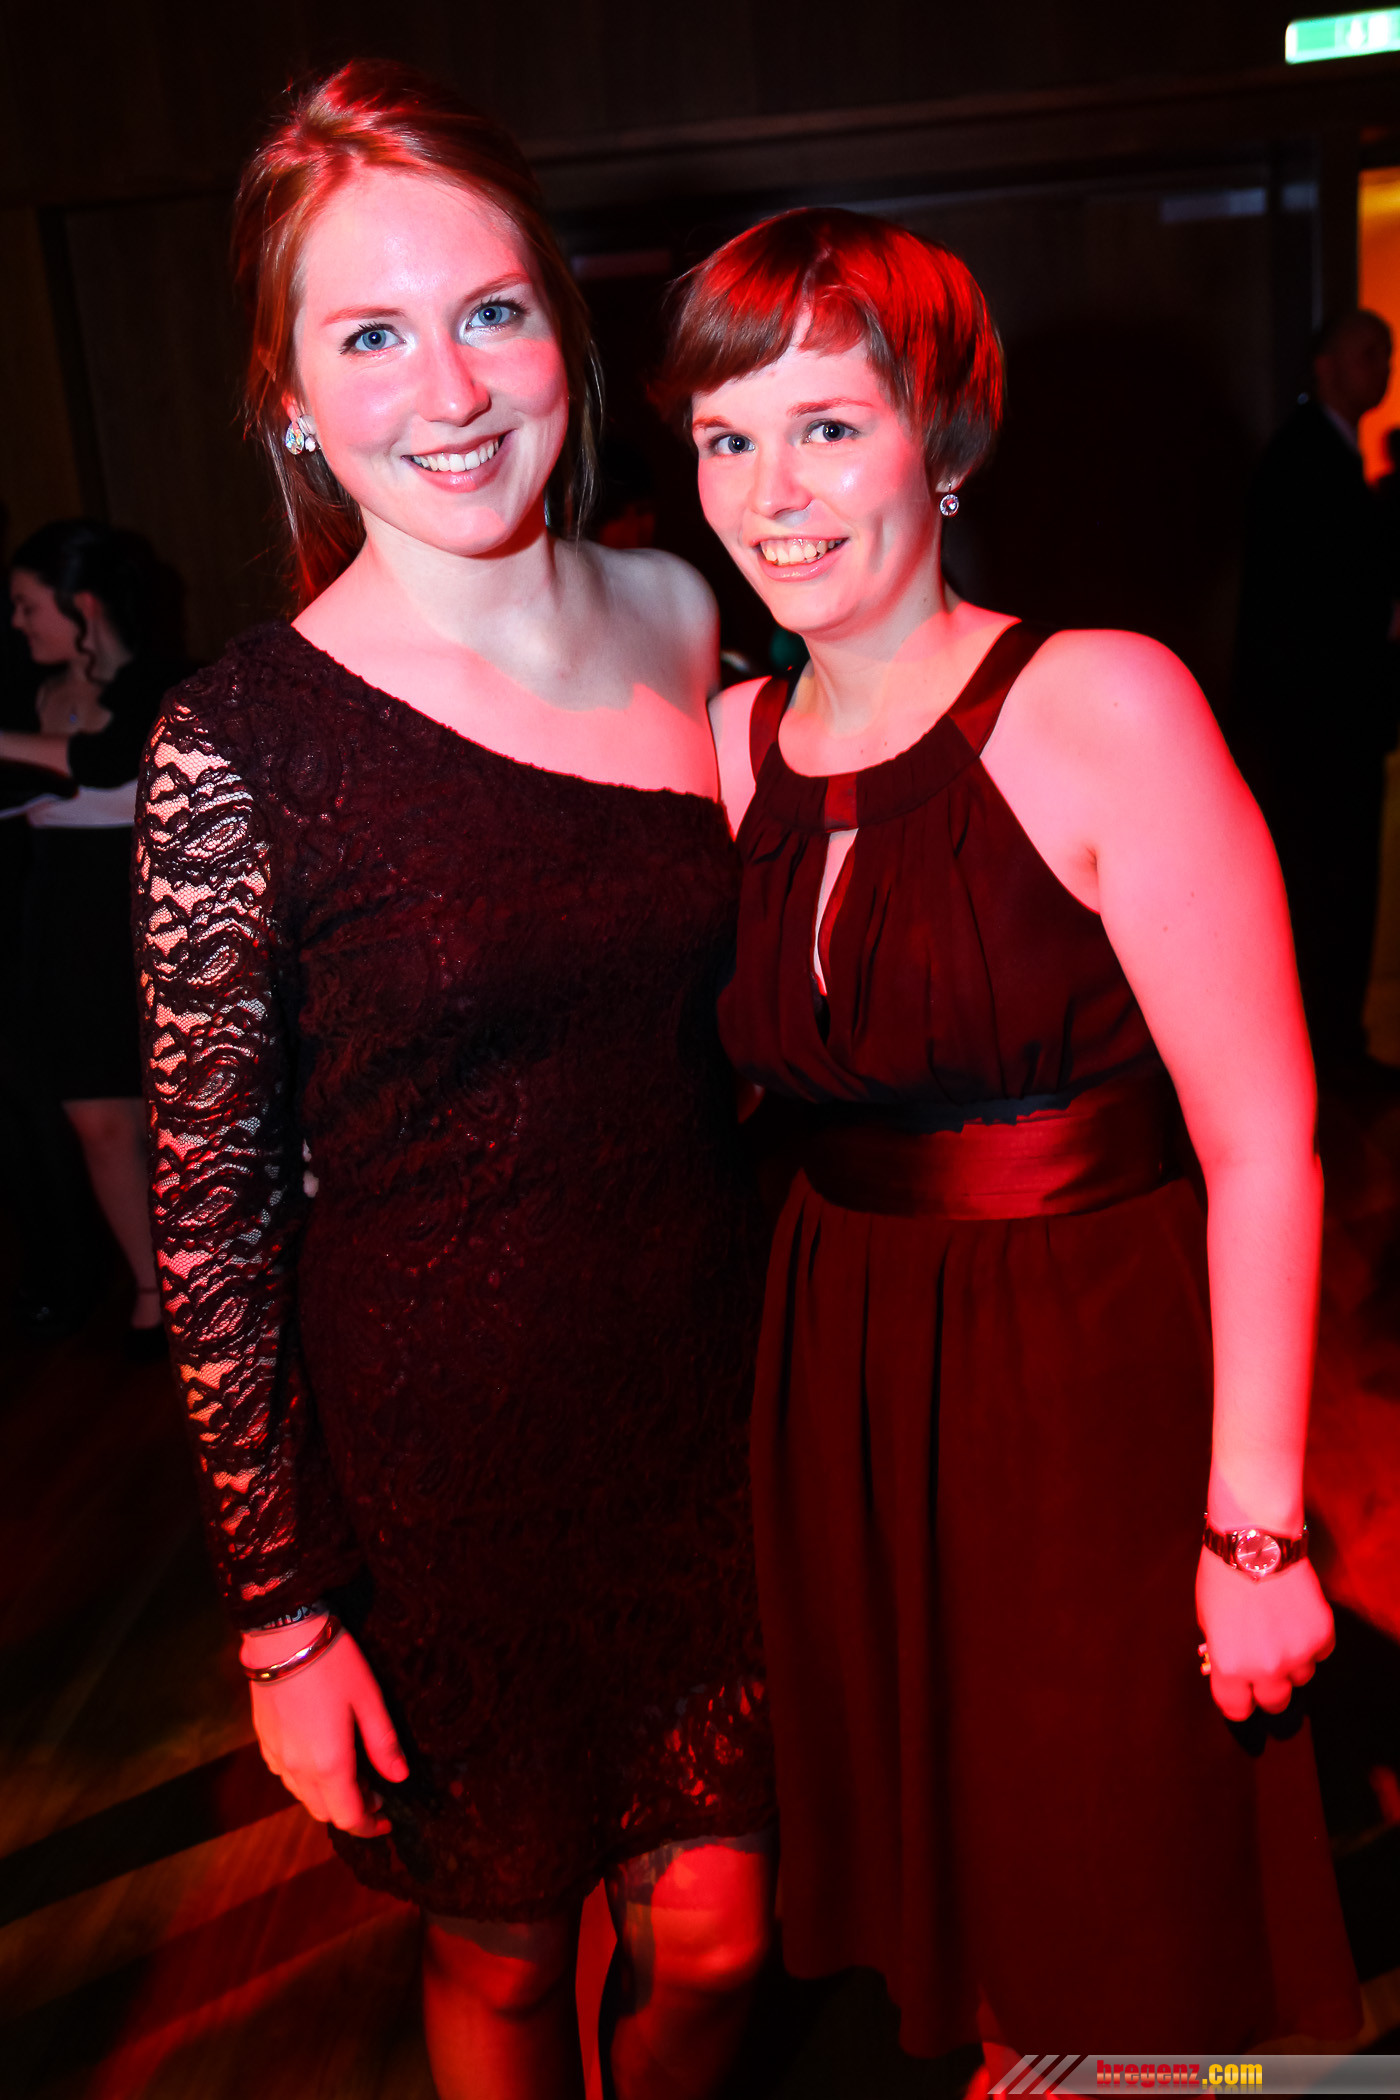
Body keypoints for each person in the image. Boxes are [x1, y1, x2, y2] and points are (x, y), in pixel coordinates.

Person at [654, 208, 1361, 2072]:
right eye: (728, 437)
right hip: (841, 1374)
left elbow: (1266, 1137)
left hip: (1084, 1376)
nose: (770, 493)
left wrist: (1257, 1532)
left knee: (1117, 1914)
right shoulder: (727, 743)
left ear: (944, 441)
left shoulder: (1102, 700)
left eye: (828, 427)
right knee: (942, 1920)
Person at [132, 62, 773, 2100]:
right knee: (503, 1952)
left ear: (562, 330)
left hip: (711, 1414)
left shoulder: (685, 613)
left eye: (491, 311)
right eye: (372, 336)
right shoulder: (239, 739)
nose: (453, 387)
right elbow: (209, 1222)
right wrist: (282, 1619)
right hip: (437, 1474)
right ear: (290, 400)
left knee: (724, 1935)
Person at [0, 520, 186, 1352]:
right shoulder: (25, 691)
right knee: (98, 1122)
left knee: (181, 1120)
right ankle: (151, 1290)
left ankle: (214, 1286)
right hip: (64, 925)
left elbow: (109, 761)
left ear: (82, 605)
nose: (16, 623)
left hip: (154, 922)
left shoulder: (165, 683)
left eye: (27, 605)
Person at [1234, 307, 1400, 1065]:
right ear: (1324, 365)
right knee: (1328, 882)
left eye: (1387, 353)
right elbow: (1309, 599)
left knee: (1334, 881)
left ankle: (1334, 1042)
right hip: (1319, 724)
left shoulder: (1326, 454)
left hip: (1325, 719)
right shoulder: (1306, 458)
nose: (1383, 367)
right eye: (1368, 352)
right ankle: (1330, 1047)